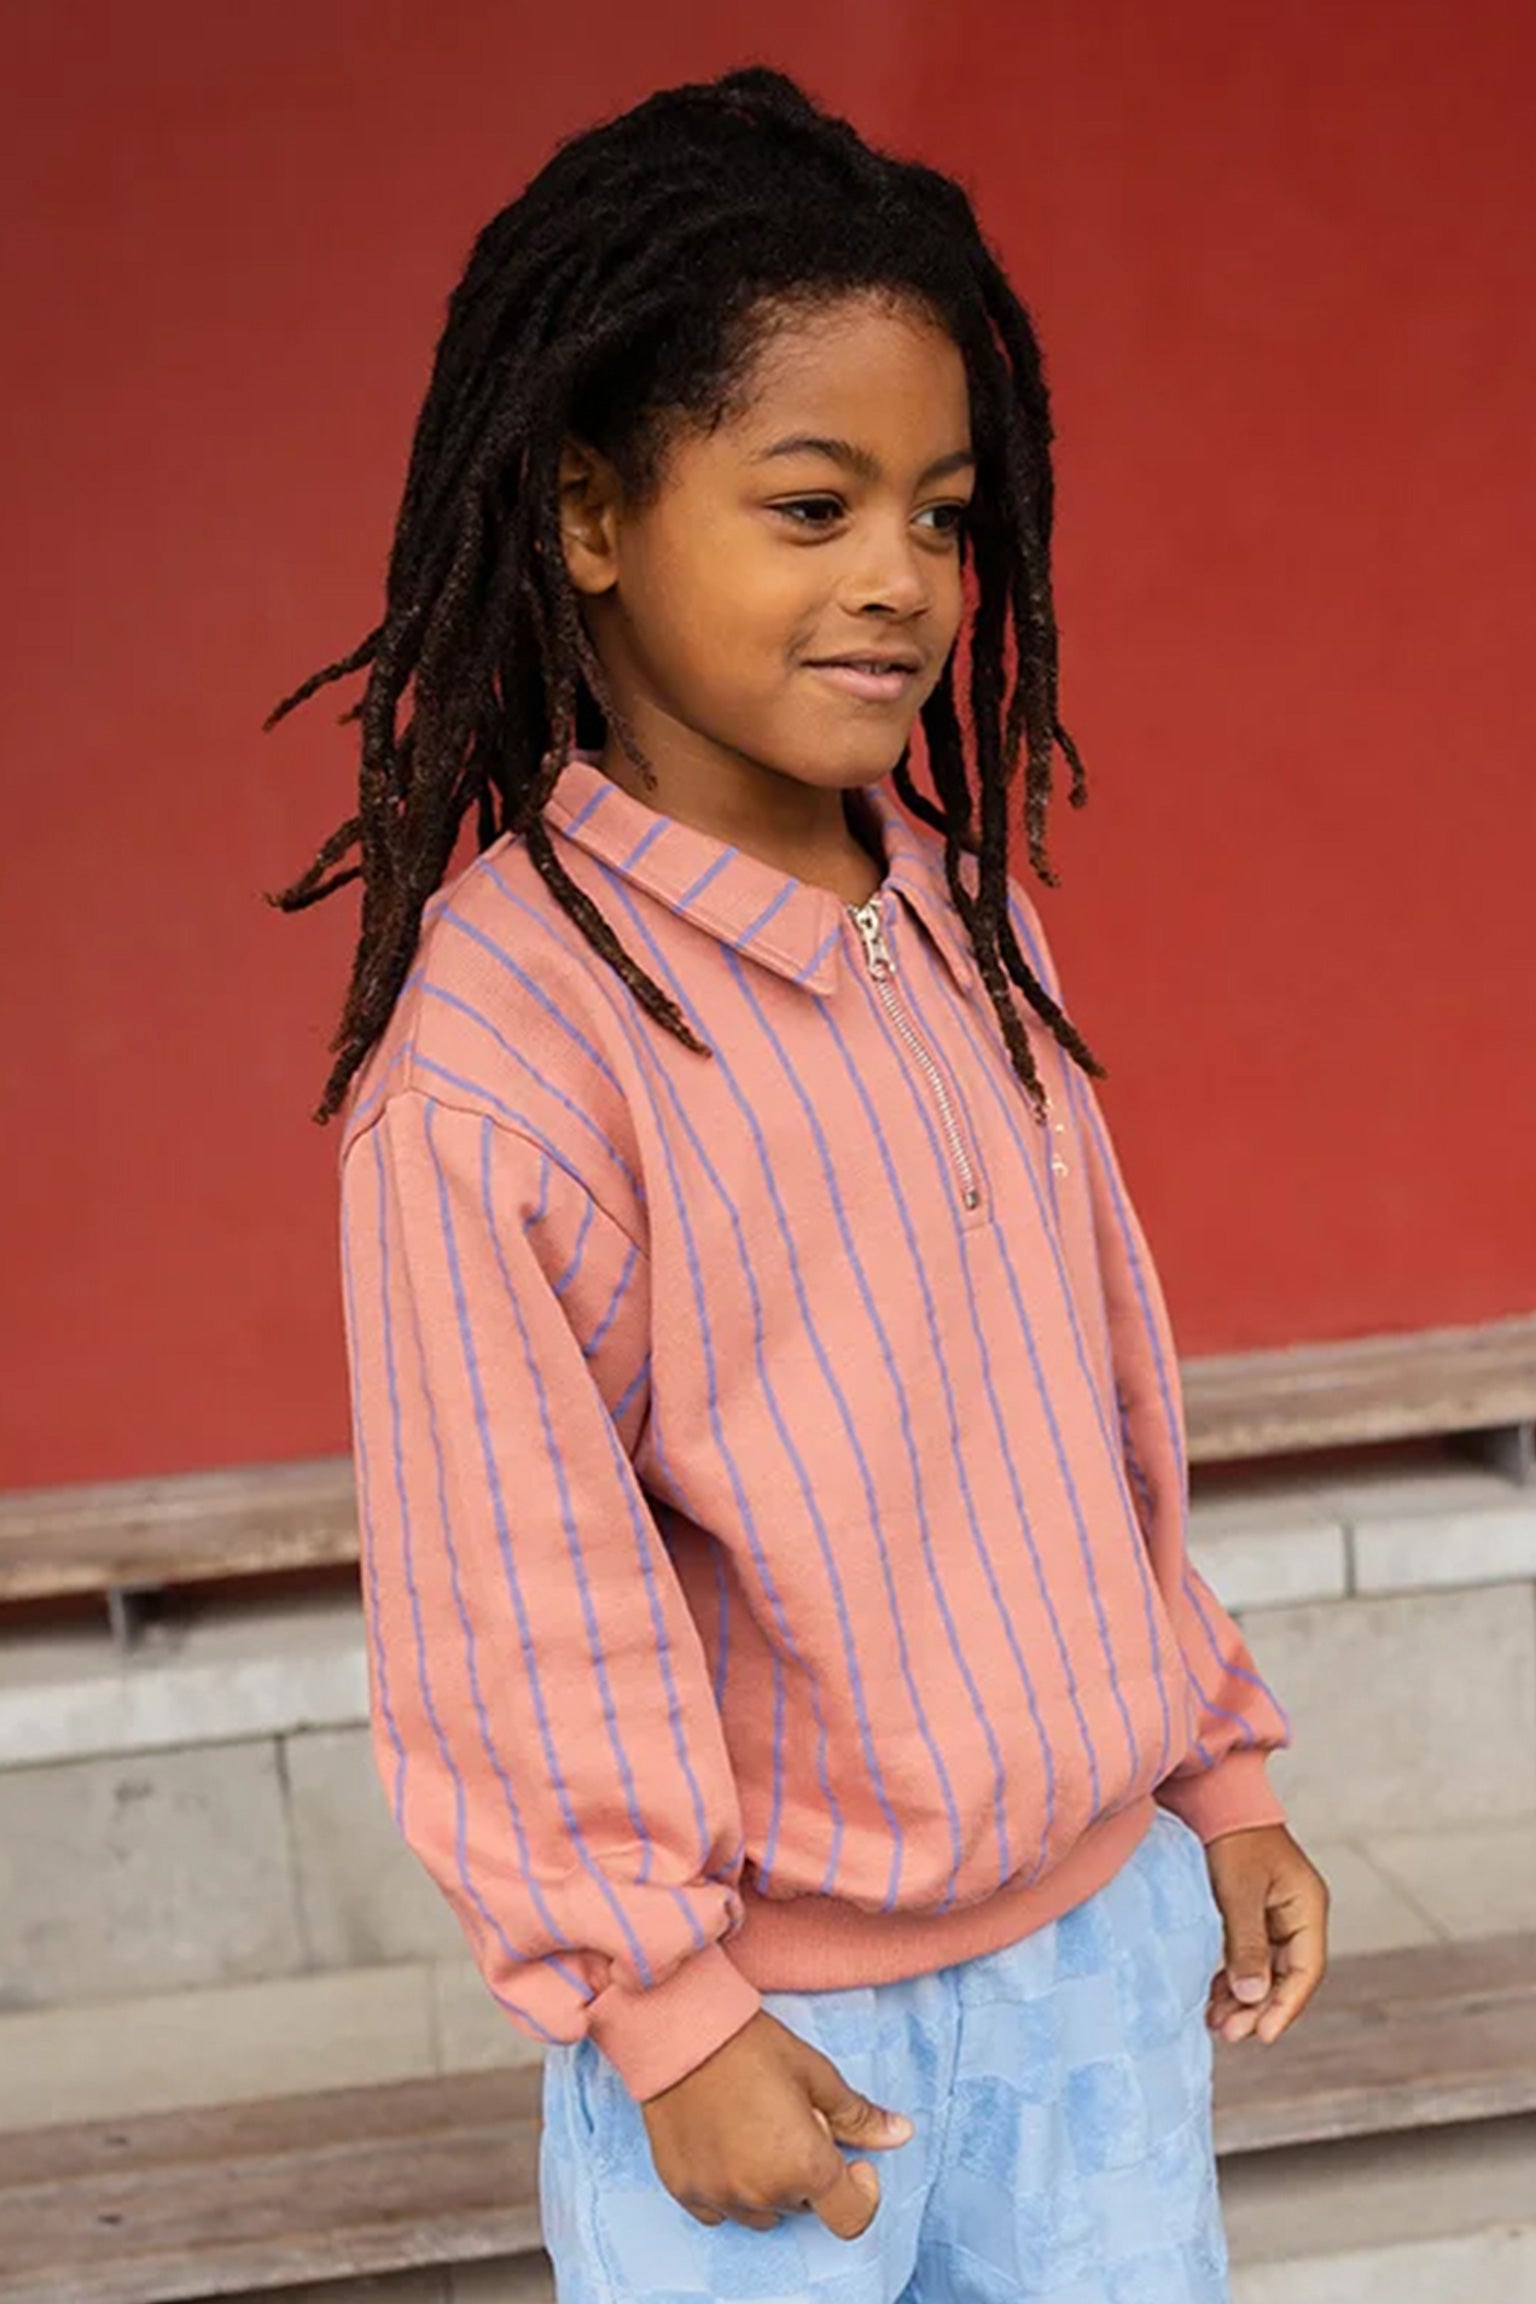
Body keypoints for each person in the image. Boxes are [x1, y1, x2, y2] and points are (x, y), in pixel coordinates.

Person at [267, 62, 1329, 2304]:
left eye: (942, 516)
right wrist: (663, 2007)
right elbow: (514, 1597)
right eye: (813, 505)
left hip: (1095, 1971)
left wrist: (1217, 1777)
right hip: (776, 2039)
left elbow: (1092, 1417)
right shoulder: (508, 1056)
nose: (901, 581)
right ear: (588, 513)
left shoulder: (967, 924)